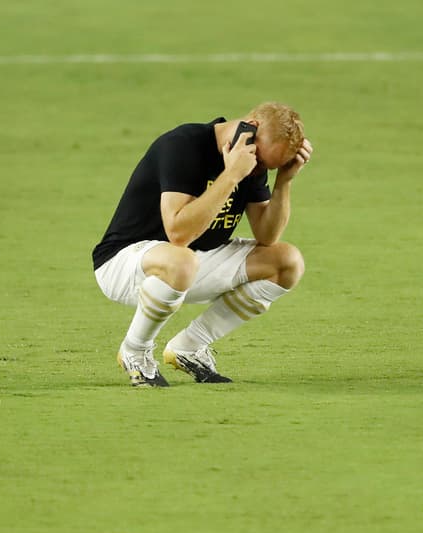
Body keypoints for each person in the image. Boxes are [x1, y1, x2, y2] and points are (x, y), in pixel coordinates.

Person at [92, 102, 314, 387]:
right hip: (125, 262)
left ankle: (189, 348)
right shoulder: (184, 145)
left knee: (287, 261)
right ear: (250, 127)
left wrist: (284, 181)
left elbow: (267, 236)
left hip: (192, 261)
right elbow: (179, 234)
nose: (258, 169)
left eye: (268, 167)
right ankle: (135, 351)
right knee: (181, 259)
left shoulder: (253, 162)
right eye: (259, 160)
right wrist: (232, 174)